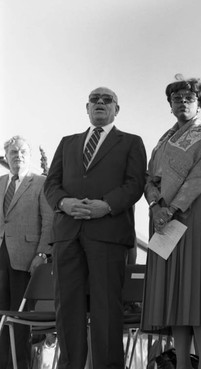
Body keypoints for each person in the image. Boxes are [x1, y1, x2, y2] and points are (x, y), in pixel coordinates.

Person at [44, 87, 147, 369]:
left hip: (108, 234)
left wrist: (107, 205)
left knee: (106, 310)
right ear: (87, 109)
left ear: (116, 109)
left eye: (107, 100)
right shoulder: (67, 143)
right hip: (67, 235)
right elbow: (51, 184)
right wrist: (63, 202)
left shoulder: (131, 142)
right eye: (94, 100)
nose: (100, 103)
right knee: (67, 310)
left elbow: (135, 184)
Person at [141, 76, 201, 369]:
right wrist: (155, 205)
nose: (182, 102)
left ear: (199, 103)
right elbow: (149, 178)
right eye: (176, 98)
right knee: (174, 290)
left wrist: (173, 206)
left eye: (189, 98)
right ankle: (181, 363)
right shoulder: (162, 141)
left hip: (194, 214)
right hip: (164, 218)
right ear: (170, 105)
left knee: (196, 287)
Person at [0, 136, 53, 369]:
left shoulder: (40, 183)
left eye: (22, 152)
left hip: (26, 258)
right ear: (6, 157)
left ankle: (18, 364)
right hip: (1, 257)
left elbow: (50, 220)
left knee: (20, 318)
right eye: (13, 152)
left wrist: (42, 254)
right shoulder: (0, 182)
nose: (17, 156)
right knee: (2, 315)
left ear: (29, 157)